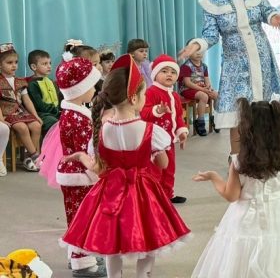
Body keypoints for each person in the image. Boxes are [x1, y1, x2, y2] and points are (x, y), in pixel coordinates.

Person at [60, 54, 190, 278]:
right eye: (143, 94)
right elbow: (163, 163)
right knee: (148, 236)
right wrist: (154, 154)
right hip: (142, 191)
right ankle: (142, 275)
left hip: (109, 192)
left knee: (112, 239)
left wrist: (81, 156)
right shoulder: (150, 130)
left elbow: (98, 169)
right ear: (134, 98)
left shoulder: (102, 130)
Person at [191, 99, 280, 277]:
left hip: (246, 219)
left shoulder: (238, 161)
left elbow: (231, 196)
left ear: (247, 130)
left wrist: (214, 177)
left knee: (242, 259)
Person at [177, 0, 280, 154]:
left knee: (262, 107)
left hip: (261, 59)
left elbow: (267, 10)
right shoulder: (212, 3)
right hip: (235, 64)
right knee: (237, 112)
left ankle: (263, 154)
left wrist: (273, 16)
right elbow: (210, 35)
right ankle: (236, 157)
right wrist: (196, 45)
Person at [53, 57, 105, 277]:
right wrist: (97, 170)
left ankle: (78, 255)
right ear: (79, 89)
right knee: (83, 218)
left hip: (75, 174)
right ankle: (83, 264)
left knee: (77, 216)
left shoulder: (72, 113)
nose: (94, 90)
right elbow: (85, 152)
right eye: (91, 86)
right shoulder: (78, 118)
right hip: (80, 175)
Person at [141, 54, 188, 204]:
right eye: (164, 71)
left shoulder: (174, 95)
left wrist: (182, 131)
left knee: (170, 168)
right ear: (155, 74)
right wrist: (157, 110)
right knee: (155, 169)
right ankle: (153, 196)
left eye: (173, 72)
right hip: (154, 141)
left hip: (169, 140)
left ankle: (167, 194)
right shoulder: (151, 92)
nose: (169, 74)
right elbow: (143, 113)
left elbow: (178, 116)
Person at [0, 43, 42, 171]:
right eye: (9, 63)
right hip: (7, 113)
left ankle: (27, 158)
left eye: (16, 62)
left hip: (20, 112)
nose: (14, 65)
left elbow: (27, 100)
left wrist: (35, 115)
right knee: (22, 127)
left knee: (36, 125)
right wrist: (1, 119)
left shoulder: (20, 81)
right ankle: (35, 156)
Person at [178, 39, 218, 136]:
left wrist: (209, 88)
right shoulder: (186, 66)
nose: (199, 53)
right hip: (187, 89)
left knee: (216, 94)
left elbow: (207, 80)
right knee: (204, 96)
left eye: (201, 51)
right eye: (196, 50)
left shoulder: (204, 66)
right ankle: (200, 121)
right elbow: (187, 83)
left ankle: (216, 118)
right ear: (189, 52)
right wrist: (203, 90)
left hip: (201, 88)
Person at [26, 49, 61, 135]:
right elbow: (39, 106)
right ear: (34, 67)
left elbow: (58, 99)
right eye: (45, 64)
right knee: (54, 122)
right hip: (42, 114)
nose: (49, 66)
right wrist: (56, 111)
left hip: (55, 112)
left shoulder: (51, 81)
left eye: (50, 63)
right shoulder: (32, 84)